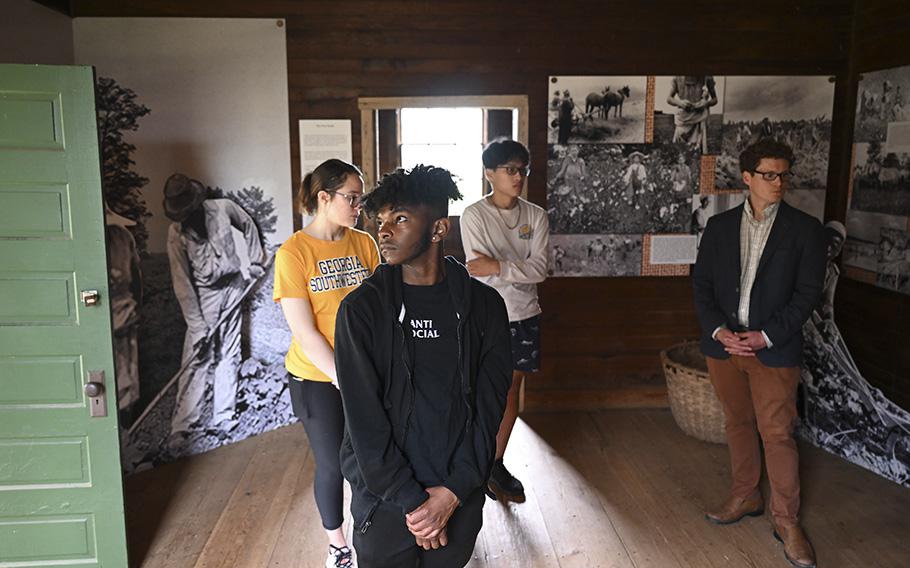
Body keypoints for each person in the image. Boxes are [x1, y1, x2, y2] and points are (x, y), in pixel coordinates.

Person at [335, 164, 512, 568]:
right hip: (386, 500)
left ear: (438, 229)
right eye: (380, 220)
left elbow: (489, 410)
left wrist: (451, 494)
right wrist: (416, 504)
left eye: (400, 219)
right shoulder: (361, 311)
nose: (384, 231)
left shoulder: (486, 309)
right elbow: (363, 421)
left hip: (458, 493)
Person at [693, 139, 826, 568]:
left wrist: (766, 336)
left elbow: (807, 295)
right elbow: (702, 287)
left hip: (773, 348)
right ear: (747, 177)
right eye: (769, 174)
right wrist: (719, 330)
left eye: (784, 174)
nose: (778, 182)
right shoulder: (719, 227)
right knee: (737, 422)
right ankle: (745, 494)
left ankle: (786, 521)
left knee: (778, 433)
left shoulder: (806, 230)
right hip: (725, 345)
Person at [273, 159, 379, 568]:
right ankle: (338, 546)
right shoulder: (294, 253)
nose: (358, 207)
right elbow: (305, 332)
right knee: (333, 463)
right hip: (317, 378)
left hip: (366, 372)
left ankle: (373, 532)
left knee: (370, 458)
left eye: (360, 198)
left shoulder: (364, 244)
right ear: (323, 197)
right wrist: (344, 378)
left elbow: (380, 309)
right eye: (352, 198)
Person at [460, 139, 549, 504]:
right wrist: (514, 268)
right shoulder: (474, 215)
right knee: (476, 391)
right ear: (489, 174)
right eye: (510, 169)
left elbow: (540, 269)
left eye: (522, 169)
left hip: (524, 316)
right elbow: (474, 271)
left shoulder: (535, 216)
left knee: (511, 393)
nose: (518, 176)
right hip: (483, 317)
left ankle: (495, 464)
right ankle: (469, 465)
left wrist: (497, 265)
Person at [164, 174, 266, 441]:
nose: (186, 217)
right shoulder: (176, 234)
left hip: (233, 286)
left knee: (229, 354)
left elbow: (248, 224)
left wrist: (256, 260)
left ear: (197, 203)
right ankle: (184, 425)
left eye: (189, 210)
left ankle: (224, 416)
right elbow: (182, 284)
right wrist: (197, 326)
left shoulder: (222, 208)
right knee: (197, 356)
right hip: (204, 295)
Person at [105, 204, 142, 426]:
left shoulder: (122, 237)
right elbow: (136, 279)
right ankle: (121, 424)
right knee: (122, 370)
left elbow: (134, 277)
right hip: (117, 311)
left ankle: (123, 426)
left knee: (122, 369)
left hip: (120, 311)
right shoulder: (124, 236)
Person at [666, 75, 718, 153]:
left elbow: (715, 99)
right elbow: (669, 99)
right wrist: (680, 103)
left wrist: (706, 104)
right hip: (683, 121)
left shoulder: (707, 77)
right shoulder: (677, 78)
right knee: (680, 151)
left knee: (697, 152)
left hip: (699, 119)